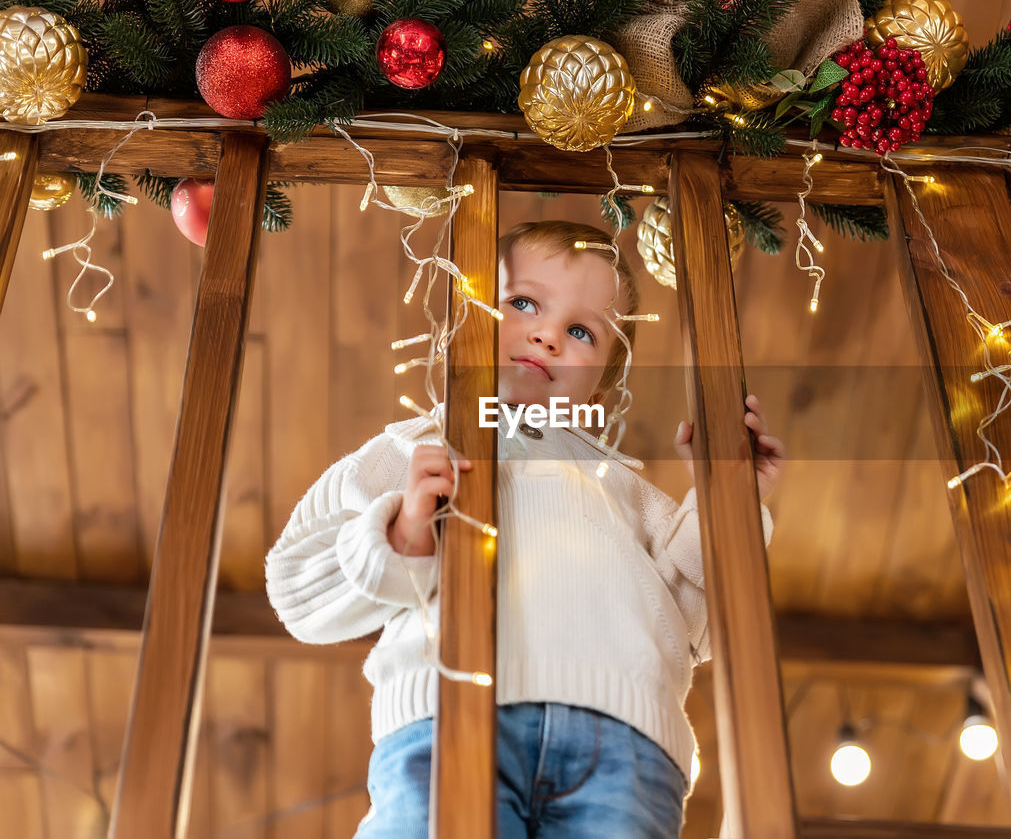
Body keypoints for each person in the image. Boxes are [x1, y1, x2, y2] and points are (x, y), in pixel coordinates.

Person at [266, 220, 785, 838]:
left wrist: (728, 495)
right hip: (445, 715)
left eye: (581, 331)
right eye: (523, 303)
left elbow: (700, 625)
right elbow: (297, 587)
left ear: (605, 380)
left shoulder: (625, 491)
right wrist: (404, 537)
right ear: (465, 316)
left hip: (626, 741)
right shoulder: (411, 449)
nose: (547, 335)